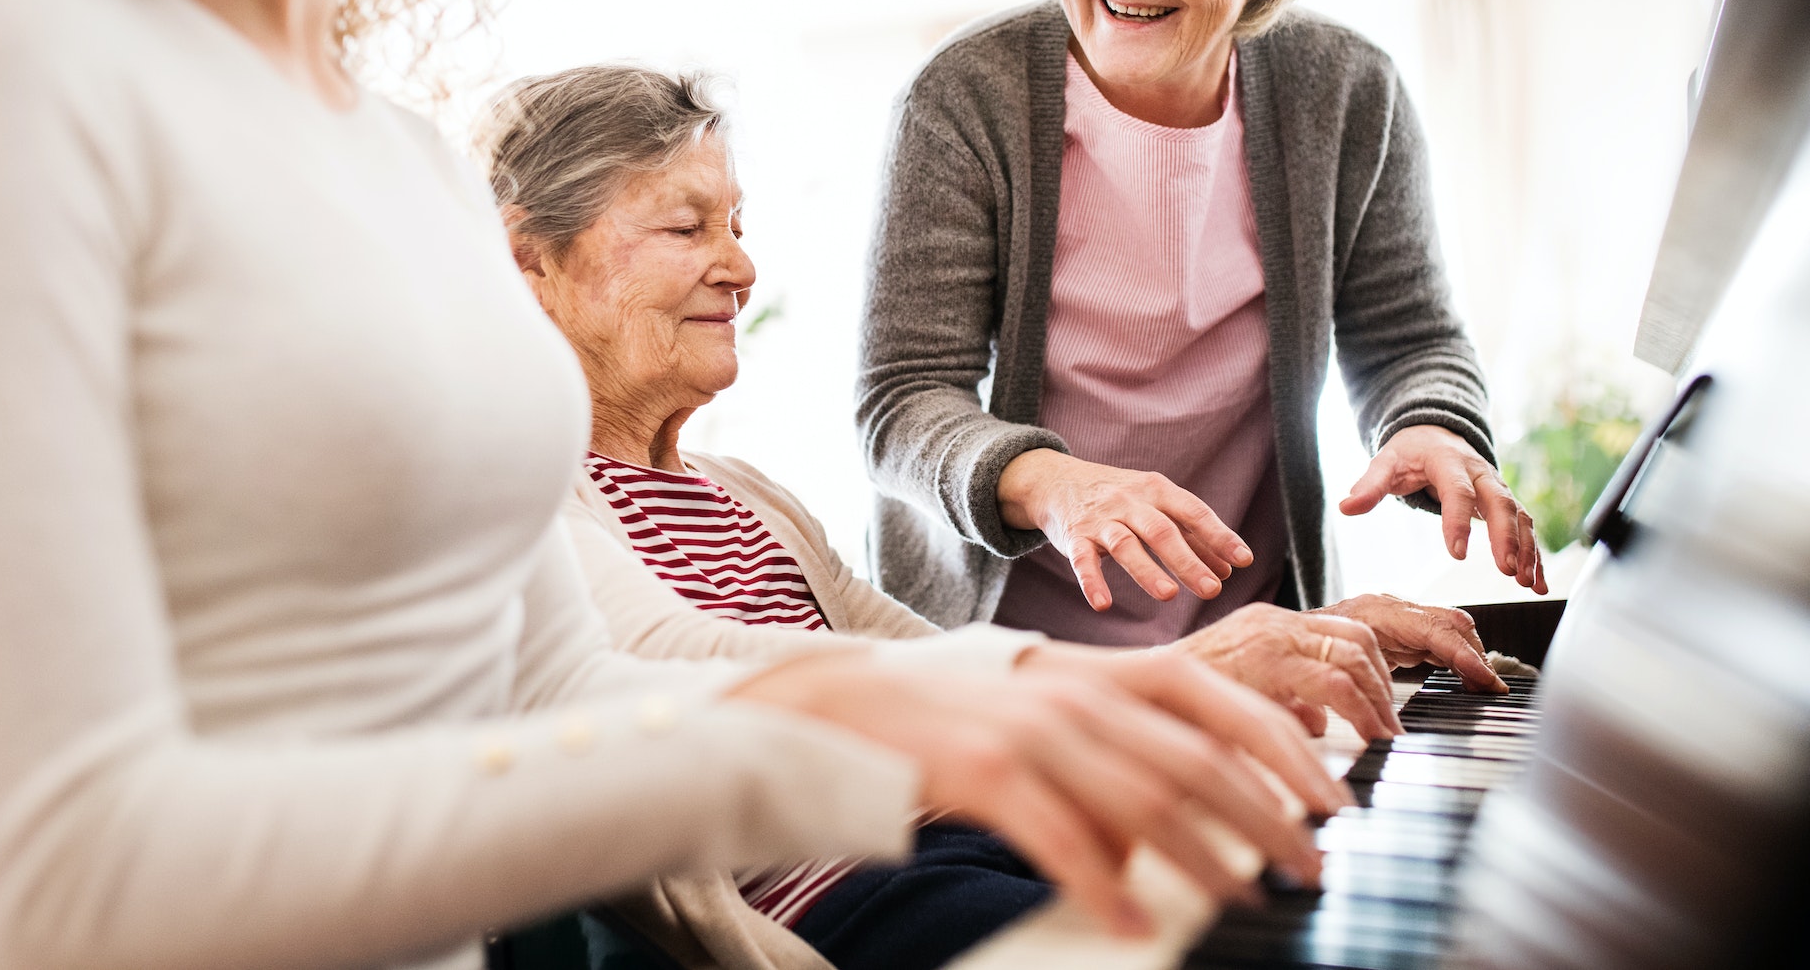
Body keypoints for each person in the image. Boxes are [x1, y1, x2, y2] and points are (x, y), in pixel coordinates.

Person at [0, 0, 1329, 970]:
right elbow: (63, 867)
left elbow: (556, 679)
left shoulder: (389, 148)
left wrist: (997, 693)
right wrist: (913, 728)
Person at [482, 62, 1504, 970]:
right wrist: (1189, 673)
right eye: (684, 226)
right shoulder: (518, 491)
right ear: (532, 260)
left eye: (736, 226)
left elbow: (952, 673)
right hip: (857, 901)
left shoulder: (747, 495)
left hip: (970, 837)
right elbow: (672, 671)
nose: (741, 268)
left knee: (1310, 888)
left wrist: (1277, 648)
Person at [857, 0, 1547, 650]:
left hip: (1252, 634)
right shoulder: (961, 100)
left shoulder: (1346, 92)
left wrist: (1430, 422)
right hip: (1009, 655)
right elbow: (903, 399)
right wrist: (1053, 483)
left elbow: (1411, 338)